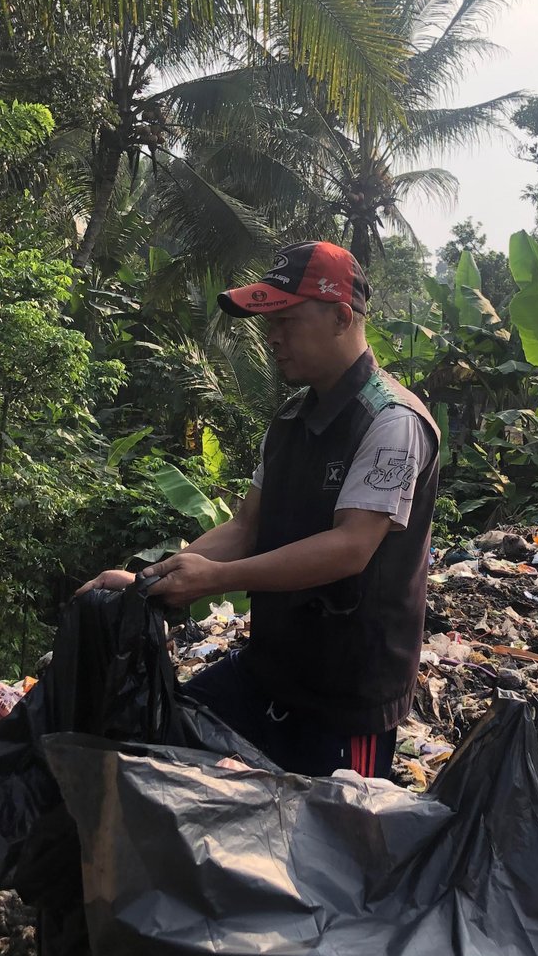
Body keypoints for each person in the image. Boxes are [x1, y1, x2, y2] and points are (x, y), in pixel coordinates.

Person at [77, 240, 440, 776]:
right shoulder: (292, 419)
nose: (272, 338)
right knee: (163, 753)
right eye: (268, 323)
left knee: (325, 849)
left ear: (342, 317)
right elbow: (247, 526)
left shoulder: (392, 422)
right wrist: (146, 583)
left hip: (345, 700)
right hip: (270, 671)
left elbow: (350, 547)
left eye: (287, 321)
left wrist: (214, 579)